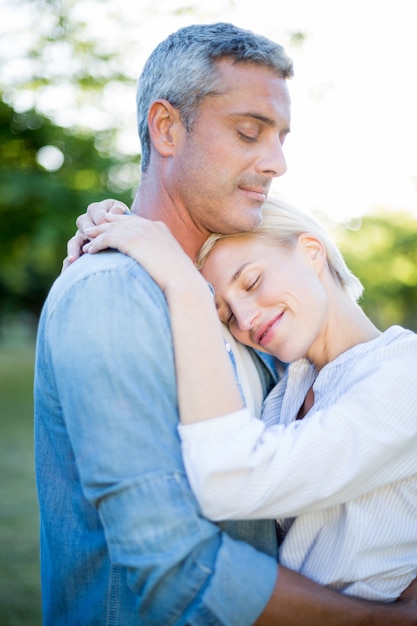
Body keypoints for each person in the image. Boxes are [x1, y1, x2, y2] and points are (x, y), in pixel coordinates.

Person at [35, 22, 417, 626]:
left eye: (281, 138)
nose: (277, 163)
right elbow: (169, 563)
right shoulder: (113, 291)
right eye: (248, 132)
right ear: (167, 127)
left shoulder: (258, 335)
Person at [82, 195, 417, 604]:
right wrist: (113, 221)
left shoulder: (405, 373)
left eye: (252, 282)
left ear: (311, 252)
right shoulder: (288, 382)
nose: (245, 319)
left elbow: (234, 481)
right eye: (223, 314)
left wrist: (184, 283)